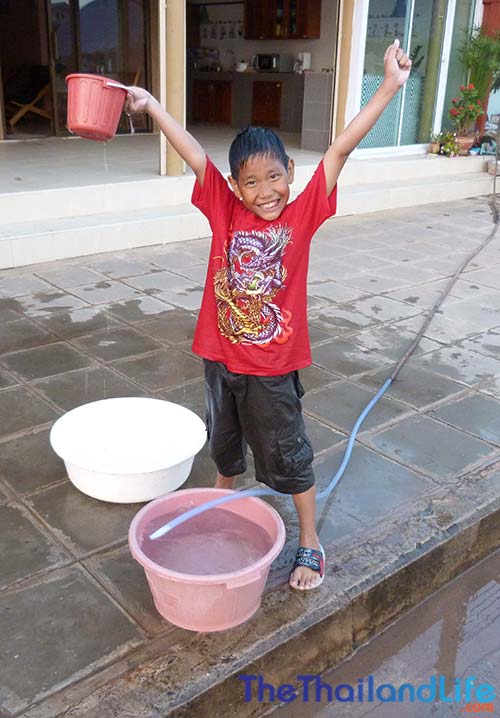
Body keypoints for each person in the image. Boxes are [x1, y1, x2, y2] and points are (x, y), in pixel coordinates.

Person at [125, 39, 411, 590]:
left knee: (287, 454)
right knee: (224, 446)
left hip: (272, 368)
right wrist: (155, 105)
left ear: (290, 174)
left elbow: (340, 150)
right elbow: (191, 151)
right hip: (219, 358)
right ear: (234, 186)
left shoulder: (302, 215)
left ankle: (310, 540)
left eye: (274, 177)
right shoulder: (222, 207)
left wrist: (390, 86)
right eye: (250, 182)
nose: (265, 191)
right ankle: (219, 511)